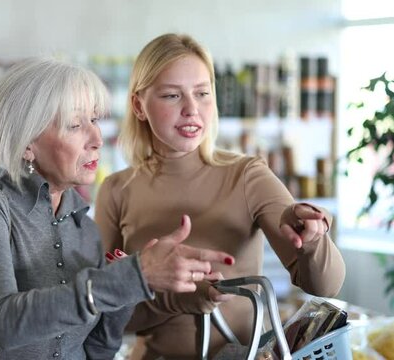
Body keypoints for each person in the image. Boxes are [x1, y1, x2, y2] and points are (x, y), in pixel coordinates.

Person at [0, 57, 235, 360]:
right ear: (28, 144)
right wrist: (133, 276)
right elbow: (5, 323)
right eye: (76, 125)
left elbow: (98, 350)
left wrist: (126, 293)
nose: (96, 139)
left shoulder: (84, 228)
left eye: (94, 120)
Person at [95, 33, 346, 359]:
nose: (191, 109)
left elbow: (326, 286)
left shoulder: (247, 175)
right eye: (172, 96)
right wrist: (173, 299)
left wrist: (313, 240)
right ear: (138, 105)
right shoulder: (116, 190)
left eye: (202, 93)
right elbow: (102, 314)